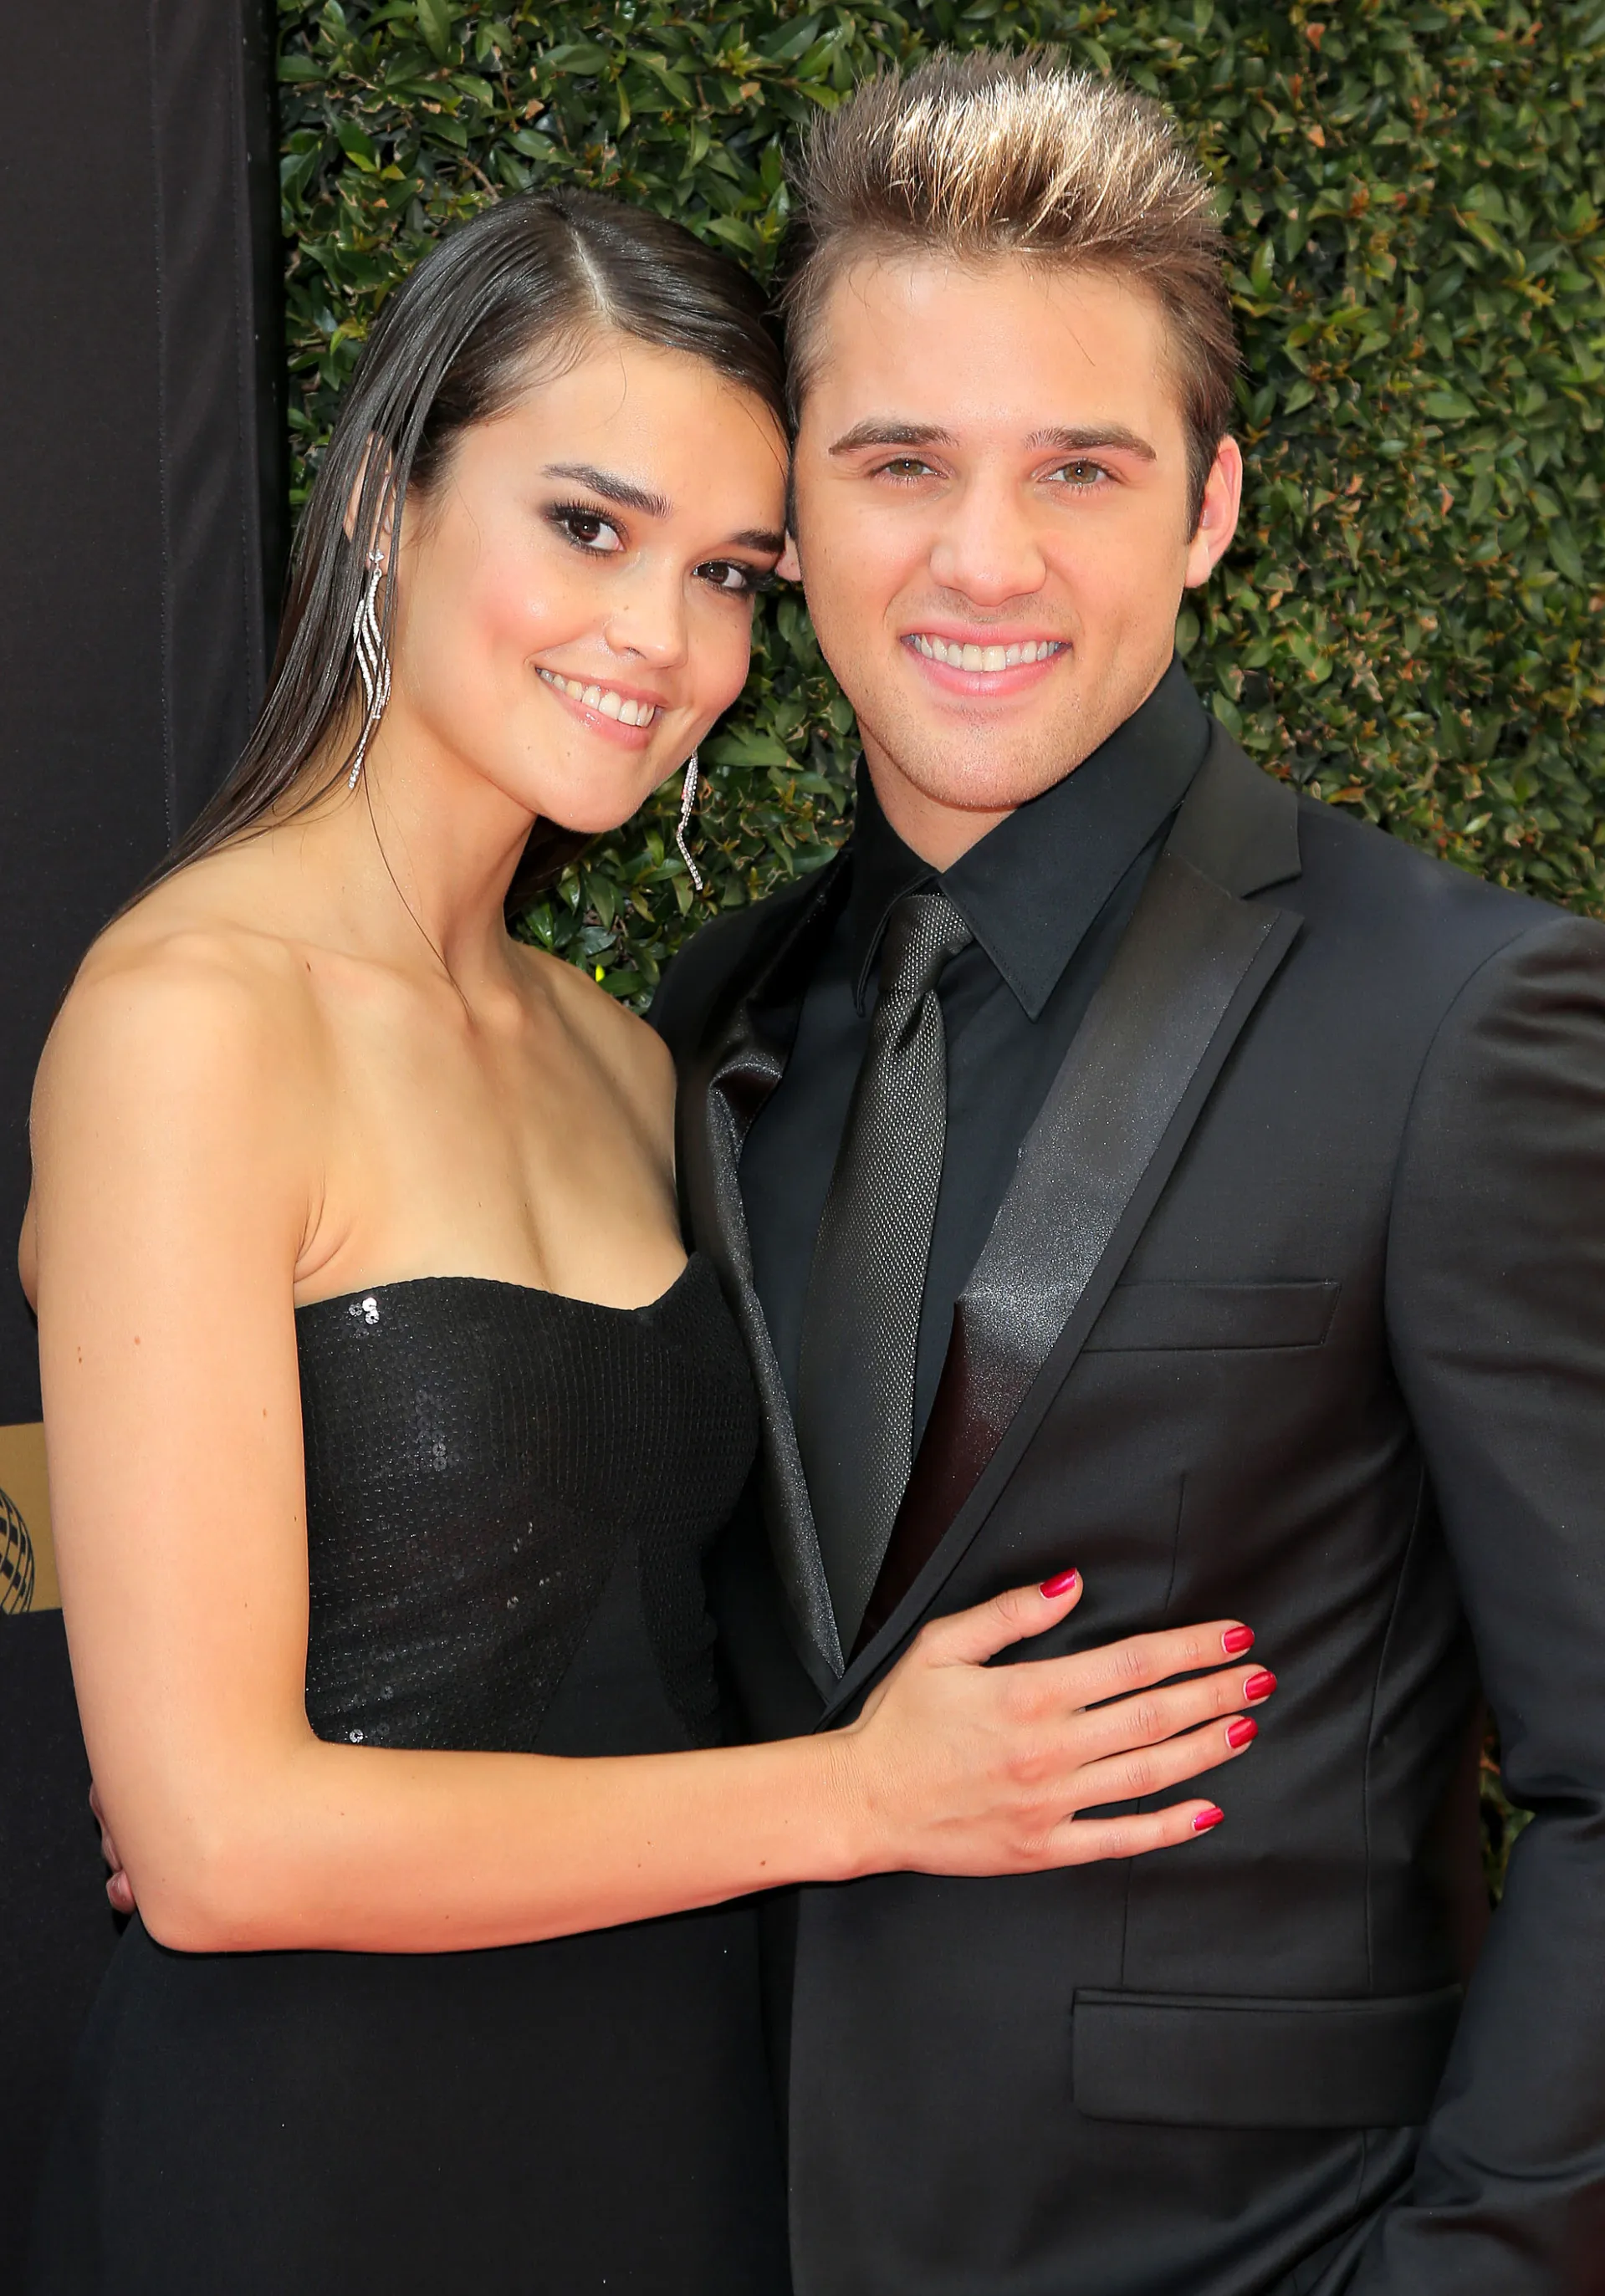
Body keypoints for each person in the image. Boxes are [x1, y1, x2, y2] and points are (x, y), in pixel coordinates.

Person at [20, 186, 1261, 2295]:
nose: (661, 642)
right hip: (317, 2165)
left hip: (674, 2134)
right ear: (384, 505)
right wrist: (860, 1797)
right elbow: (219, 1845)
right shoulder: (188, 1025)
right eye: (586, 526)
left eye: (726, 575)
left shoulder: (628, 1054)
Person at [652, 50, 1605, 2296]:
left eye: (1077, 467)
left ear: (1205, 507)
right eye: (900, 461)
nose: (983, 558)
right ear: (791, 507)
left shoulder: (1457, 1018)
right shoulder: (712, 1015)